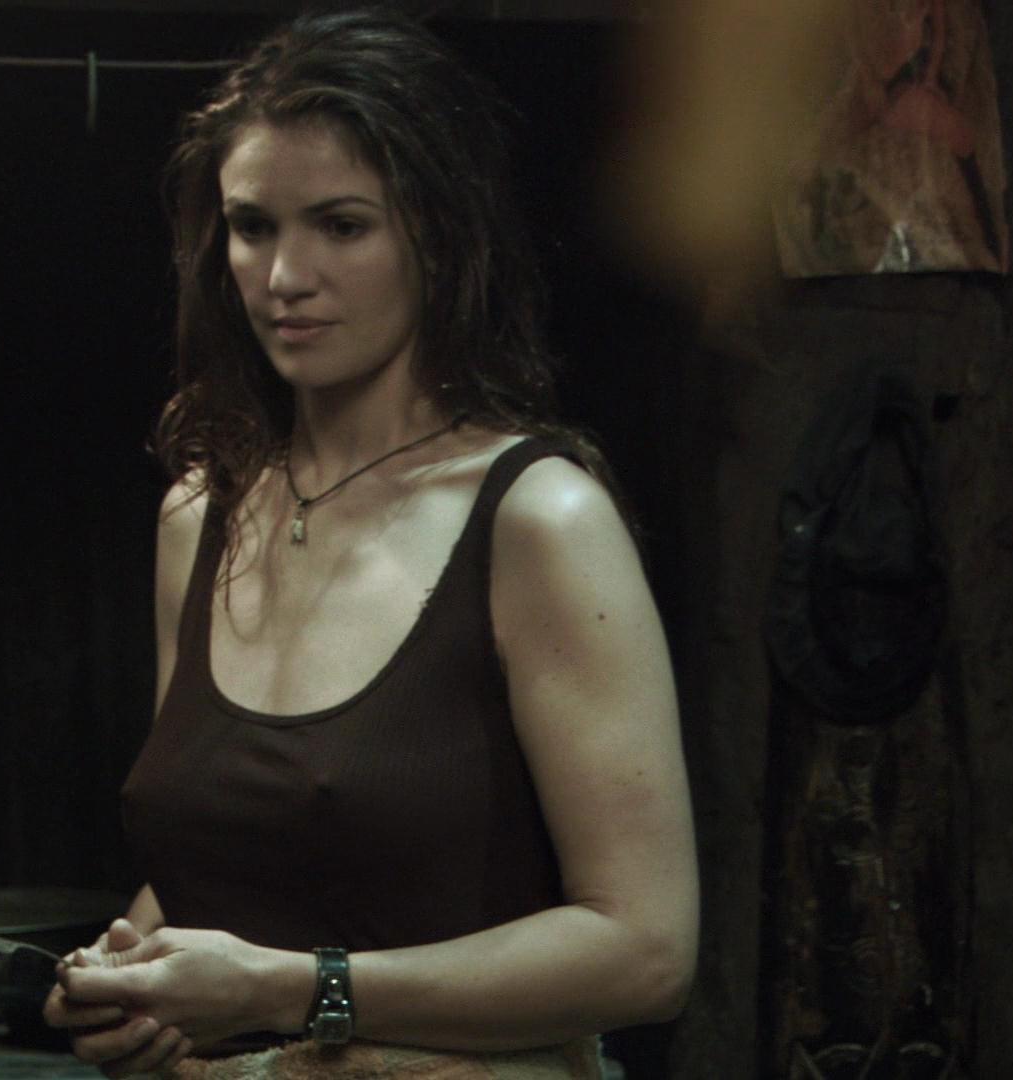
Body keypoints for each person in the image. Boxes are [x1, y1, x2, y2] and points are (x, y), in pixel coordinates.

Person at [43, 9, 698, 1078]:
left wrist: (297, 989)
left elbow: (646, 952)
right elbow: (234, 860)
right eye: (252, 227)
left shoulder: (537, 518)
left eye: (341, 226)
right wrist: (135, 974)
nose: (284, 275)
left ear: (436, 237)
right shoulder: (203, 518)